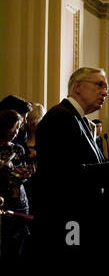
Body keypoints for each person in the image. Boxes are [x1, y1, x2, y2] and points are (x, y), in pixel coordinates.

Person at [32, 67, 109, 257]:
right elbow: (66, 174)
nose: (104, 92)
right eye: (99, 85)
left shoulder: (80, 120)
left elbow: (87, 167)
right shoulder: (61, 117)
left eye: (107, 89)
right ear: (78, 87)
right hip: (67, 218)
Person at [0, 110, 34, 257]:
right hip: (2, 201)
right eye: (15, 127)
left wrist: (25, 174)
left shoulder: (18, 149)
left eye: (19, 126)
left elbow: (19, 174)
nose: (17, 131)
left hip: (19, 202)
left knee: (17, 246)